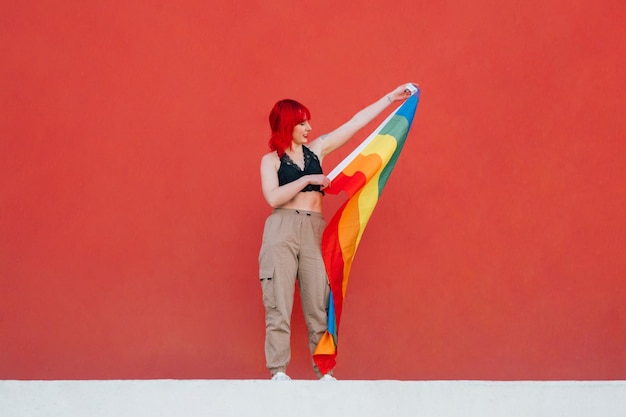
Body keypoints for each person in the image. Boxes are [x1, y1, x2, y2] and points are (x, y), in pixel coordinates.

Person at [258, 83, 417, 381]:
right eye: (302, 122)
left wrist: (389, 98)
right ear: (287, 125)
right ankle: (278, 371)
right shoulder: (271, 161)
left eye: (308, 122)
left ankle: (325, 372)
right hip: (282, 229)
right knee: (278, 303)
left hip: (314, 231)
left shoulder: (316, 149)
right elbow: (273, 197)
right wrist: (310, 180)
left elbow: (355, 124)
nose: (309, 127)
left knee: (319, 303)